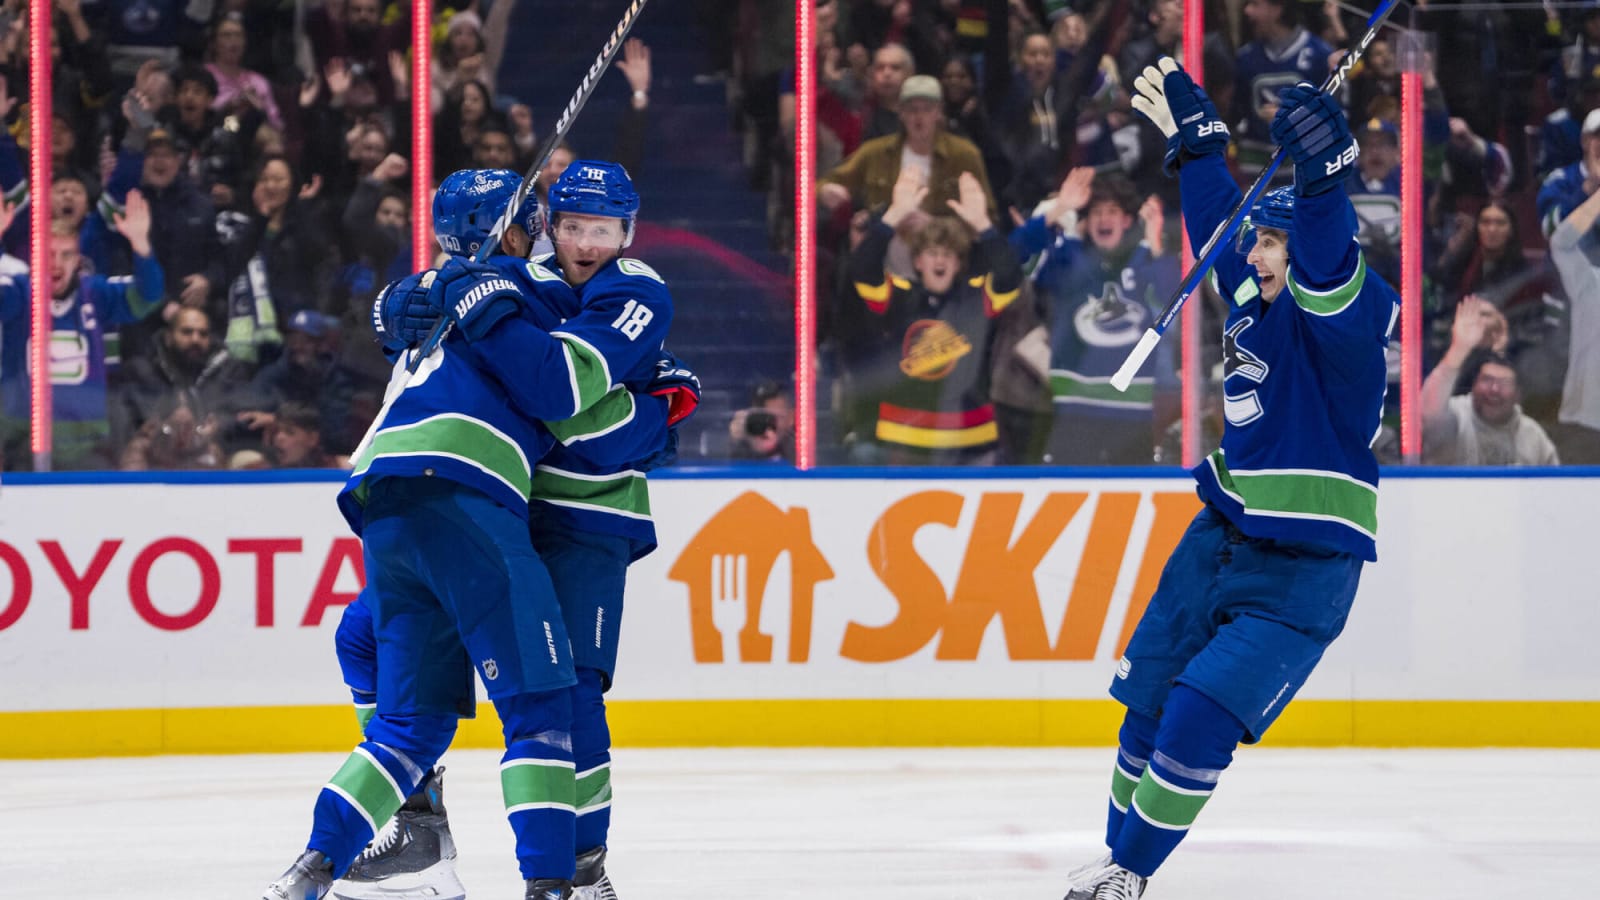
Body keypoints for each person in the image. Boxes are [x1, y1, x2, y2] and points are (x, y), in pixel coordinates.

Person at [1058, 59, 1399, 899]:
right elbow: (1220, 224)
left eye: (1270, 238)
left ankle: (1131, 877)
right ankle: (1111, 865)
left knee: (1197, 719)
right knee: (1143, 715)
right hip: (1218, 538)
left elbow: (1323, 255)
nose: (1256, 250)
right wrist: (1201, 148)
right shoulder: (1252, 289)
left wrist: (1323, 177)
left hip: (1305, 572)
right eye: (1260, 240)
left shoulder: (1351, 311)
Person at [317, 165, 695, 900]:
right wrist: (412, 298)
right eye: (572, 226)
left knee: (570, 689)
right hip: (511, 504)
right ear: (548, 224)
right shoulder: (521, 271)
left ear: (628, 233)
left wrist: (652, 414)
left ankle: (583, 873)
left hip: (586, 515)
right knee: (361, 638)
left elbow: (561, 399)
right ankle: (420, 824)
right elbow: (419, 330)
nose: (586, 243)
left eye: (603, 231)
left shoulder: (631, 286)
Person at [845, 168, 1021, 464]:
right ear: (917, 261)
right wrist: (894, 214)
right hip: (904, 439)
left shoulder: (977, 296)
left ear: (958, 263)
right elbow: (861, 269)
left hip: (972, 440)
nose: (940, 260)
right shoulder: (897, 295)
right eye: (932, 253)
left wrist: (982, 224)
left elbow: (1010, 276)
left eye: (948, 254)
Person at [0, 197, 164, 470]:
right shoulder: (18, 292)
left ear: (78, 260)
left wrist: (141, 245)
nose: (56, 263)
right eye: (49, 254)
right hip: (23, 439)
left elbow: (148, 298)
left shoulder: (96, 293)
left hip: (85, 442)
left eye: (66, 255)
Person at [1421, 297, 1560, 466]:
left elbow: (1554, 487)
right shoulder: (1457, 416)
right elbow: (1427, 414)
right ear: (1473, 385)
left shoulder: (1533, 437)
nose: (1494, 389)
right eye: (1487, 380)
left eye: (1504, 383)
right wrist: (1459, 348)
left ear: (1518, 394)